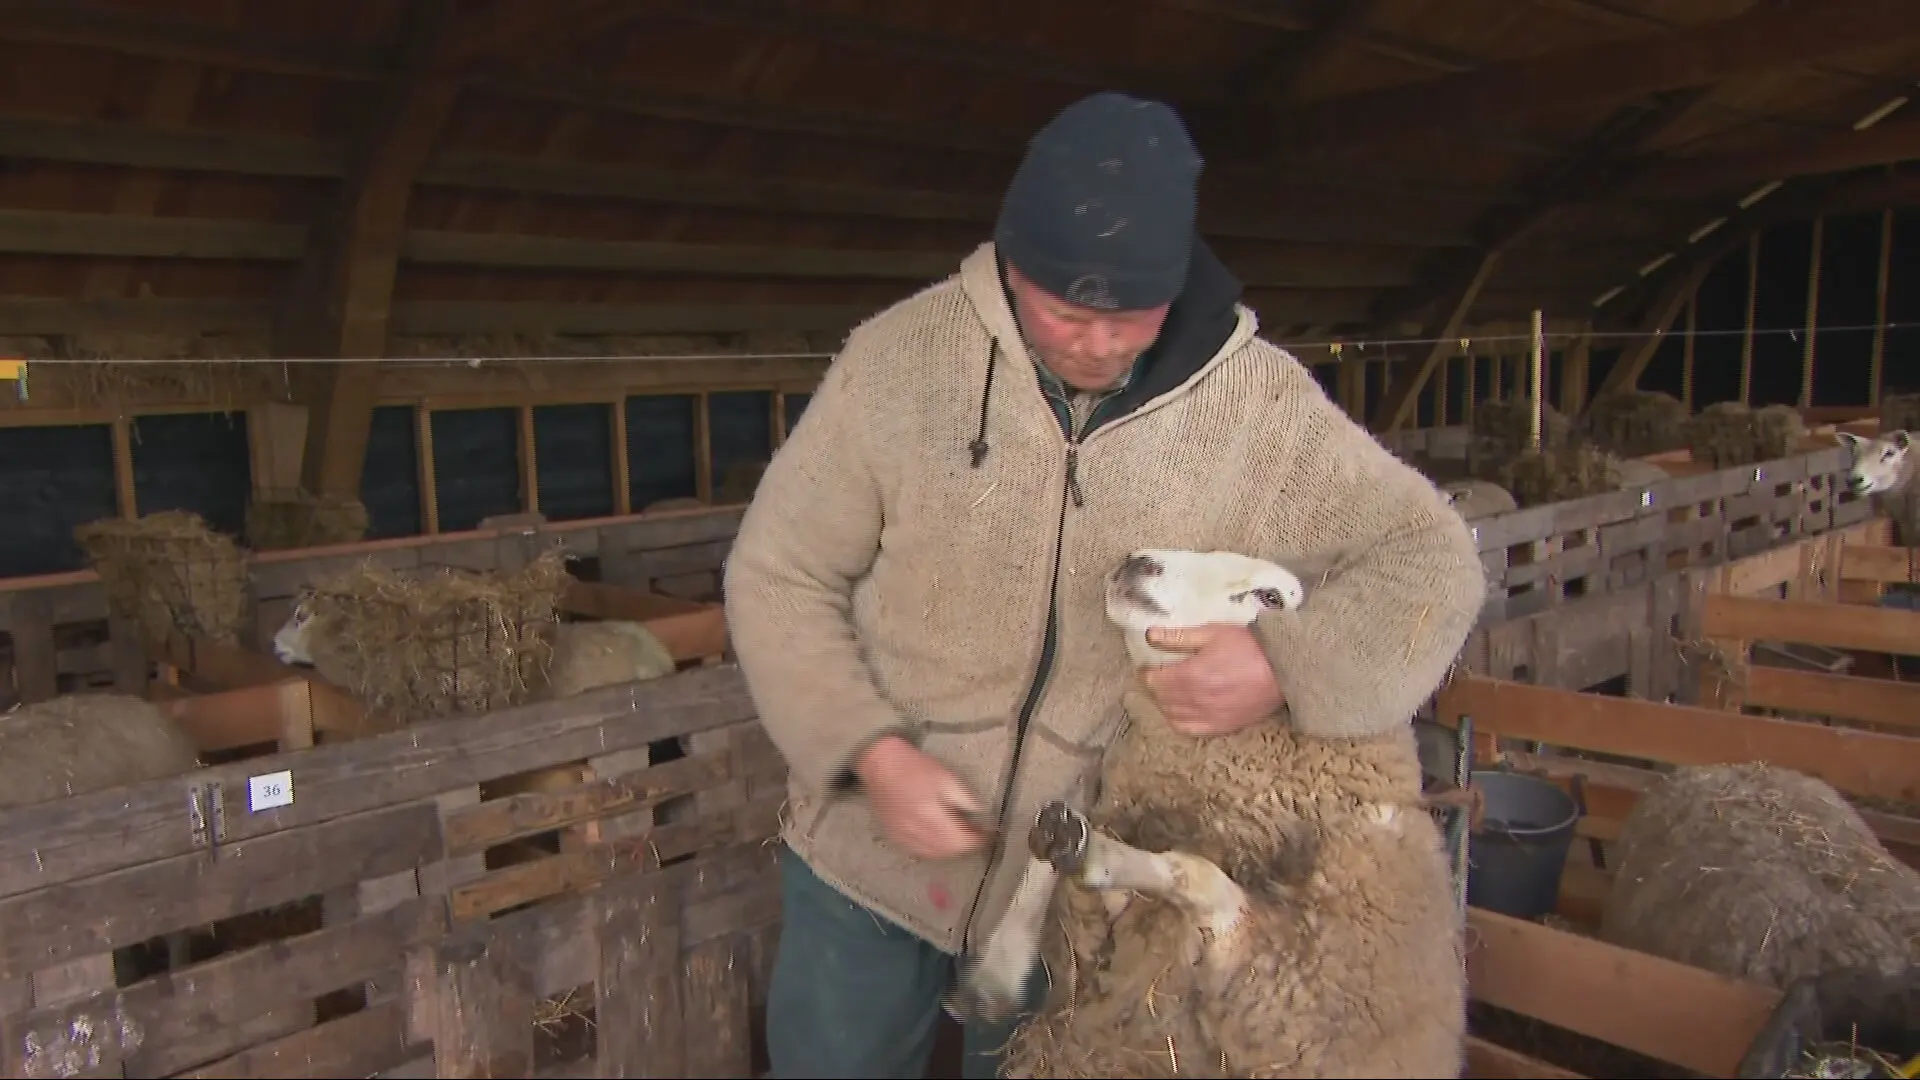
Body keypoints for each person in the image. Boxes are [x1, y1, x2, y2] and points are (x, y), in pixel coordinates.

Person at [723, 90, 1486, 1079]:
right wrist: (872, 755)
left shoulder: (1257, 413)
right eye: (1061, 313)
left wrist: (1282, 662)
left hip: (1075, 886)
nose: (1091, 343)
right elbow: (778, 573)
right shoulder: (902, 363)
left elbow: (1433, 558)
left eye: (1125, 319)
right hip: (867, 860)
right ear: (1011, 262)